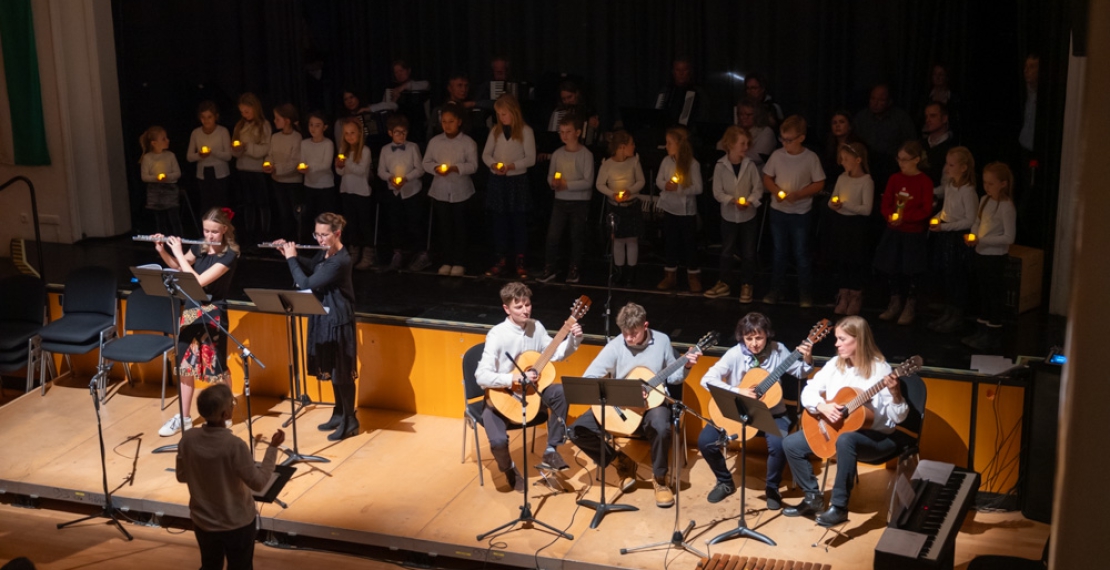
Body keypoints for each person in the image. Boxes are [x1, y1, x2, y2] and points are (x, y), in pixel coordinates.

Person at [568, 302, 699, 508]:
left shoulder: (662, 341)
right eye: (625, 333)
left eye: (634, 334)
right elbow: (590, 376)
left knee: (661, 427)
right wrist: (620, 391)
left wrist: (687, 365)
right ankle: (621, 461)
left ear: (645, 325)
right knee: (577, 430)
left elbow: (674, 378)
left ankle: (660, 480)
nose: (628, 338)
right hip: (621, 407)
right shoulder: (616, 345)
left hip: (652, 404)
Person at [782, 316, 905, 527]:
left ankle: (839, 508)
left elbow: (896, 419)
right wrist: (822, 406)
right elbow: (810, 389)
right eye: (836, 339)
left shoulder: (880, 371)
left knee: (846, 440)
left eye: (841, 339)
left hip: (874, 438)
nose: (836, 344)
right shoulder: (835, 364)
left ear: (859, 340)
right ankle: (813, 498)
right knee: (790, 444)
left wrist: (895, 395)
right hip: (838, 430)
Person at [697, 313, 812, 508]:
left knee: (779, 445)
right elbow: (706, 379)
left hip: (772, 412)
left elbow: (800, 371)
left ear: (768, 334)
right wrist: (738, 391)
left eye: (759, 338)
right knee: (705, 441)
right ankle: (725, 482)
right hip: (739, 409)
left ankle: (772, 488)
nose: (754, 344)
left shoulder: (779, 350)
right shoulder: (735, 354)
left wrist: (807, 356)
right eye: (749, 338)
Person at [474, 282, 581, 491]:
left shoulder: (536, 327)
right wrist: (514, 378)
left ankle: (551, 449)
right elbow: (481, 376)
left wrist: (574, 340)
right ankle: (509, 470)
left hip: (532, 396)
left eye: (528, 305)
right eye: (519, 307)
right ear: (506, 309)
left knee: (561, 392)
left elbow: (556, 353)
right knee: (497, 442)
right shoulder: (497, 334)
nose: (525, 310)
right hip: (500, 399)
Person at [176, 383, 284, 570]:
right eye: (232, 404)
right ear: (225, 414)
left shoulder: (188, 439)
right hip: (236, 524)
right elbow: (258, 483)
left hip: (203, 522)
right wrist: (272, 449)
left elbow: (181, 476)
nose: (234, 406)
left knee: (210, 566)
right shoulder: (234, 445)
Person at [155, 208, 240, 437]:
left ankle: (225, 412)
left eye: (213, 231)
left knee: (217, 366)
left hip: (214, 311)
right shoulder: (199, 248)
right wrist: (163, 251)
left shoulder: (229, 255)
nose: (209, 236)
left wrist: (180, 253)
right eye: (205, 230)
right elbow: (177, 266)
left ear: (224, 230)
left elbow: (199, 281)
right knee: (184, 363)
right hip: (192, 309)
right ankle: (183, 418)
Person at [275, 212, 359, 440]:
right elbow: (313, 267)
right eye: (317, 234)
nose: (319, 240)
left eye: (324, 235)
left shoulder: (340, 260)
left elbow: (306, 283)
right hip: (324, 315)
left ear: (337, 234)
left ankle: (350, 419)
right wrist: (289, 254)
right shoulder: (325, 253)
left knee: (341, 373)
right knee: (332, 369)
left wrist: (292, 259)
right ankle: (339, 412)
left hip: (338, 319)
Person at [762, 115, 826, 306]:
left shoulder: (810, 158)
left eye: (788, 140)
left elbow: (819, 183)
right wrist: (777, 192)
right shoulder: (777, 155)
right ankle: (776, 290)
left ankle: (805, 292)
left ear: (801, 138)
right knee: (779, 252)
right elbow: (767, 177)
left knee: (801, 253)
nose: (784, 143)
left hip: (801, 213)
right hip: (778, 211)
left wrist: (798, 195)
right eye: (782, 138)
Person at [873, 141, 932, 325]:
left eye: (905, 160)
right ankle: (895, 301)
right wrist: (891, 216)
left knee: (911, 270)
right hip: (894, 231)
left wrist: (905, 218)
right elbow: (886, 203)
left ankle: (910, 304)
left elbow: (925, 209)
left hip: (913, 233)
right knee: (892, 267)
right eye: (899, 159)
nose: (901, 163)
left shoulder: (924, 181)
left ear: (916, 159)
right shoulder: (895, 179)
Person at [961, 162, 1017, 351]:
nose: (987, 187)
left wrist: (982, 239)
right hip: (981, 255)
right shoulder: (985, 199)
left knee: (994, 295)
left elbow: (1009, 237)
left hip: (995, 257)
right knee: (983, 293)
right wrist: (974, 235)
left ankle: (993, 334)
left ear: (1003, 183)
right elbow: (977, 221)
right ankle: (981, 332)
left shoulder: (1006, 207)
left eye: (991, 183)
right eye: (985, 183)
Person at [705, 126, 762, 303]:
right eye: (741, 143)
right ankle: (724, 283)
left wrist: (750, 201)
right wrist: (732, 200)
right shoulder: (721, 166)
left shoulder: (750, 165)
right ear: (730, 144)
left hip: (748, 216)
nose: (745, 147)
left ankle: (747, 284)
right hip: (729, 215)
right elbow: (717, 192)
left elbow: (758, 188)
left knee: (748, 252)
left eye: (747, 143)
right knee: (727, 250)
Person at [482, 93, 536, 278]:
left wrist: (512, 166)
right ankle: (501, 259)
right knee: (499, 221)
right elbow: (486, 154)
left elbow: (530, 158)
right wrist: (494, 165)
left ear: (513, 112)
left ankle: (520, 260)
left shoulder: (525, 131)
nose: (501, 117)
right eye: (499, 114)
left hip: (516, 181)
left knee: (518, 221)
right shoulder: (495, 131)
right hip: (498, 180)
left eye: (504, 114)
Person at [927, 147, 979, 334]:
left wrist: (945, 226)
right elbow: (947, 209)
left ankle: (957, 315)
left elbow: (970, 220)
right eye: (946, 164)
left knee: (957, 276)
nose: (947, 168)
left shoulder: (968, 191)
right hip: (945, 236)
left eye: (951, 165)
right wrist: (937, 218)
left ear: (964, 168)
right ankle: (948, 311)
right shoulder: (950, 185)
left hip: (958, 239)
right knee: (947, 275)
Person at [423, 104, 478, 276]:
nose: (447, 125)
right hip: (440, 190)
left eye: (451, 121)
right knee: (444, 228)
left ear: (459, 122)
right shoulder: (435, 141)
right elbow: (426, 162)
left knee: (460, 227)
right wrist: (436, 168)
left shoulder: (468, 142)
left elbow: (473, 166)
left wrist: (455, 168)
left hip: (461, 191)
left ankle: (460, 262)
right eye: (444, 121)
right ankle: (446, 260)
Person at [537, 116, 594, 284]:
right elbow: (550, 175)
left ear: (578, 132)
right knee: (553, 235)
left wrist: (566, 184)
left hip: (580, 202)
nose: (565, 135)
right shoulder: (557, 154)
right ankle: (550, 267)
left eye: (568, 132)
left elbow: (588, 181)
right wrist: (553, 183)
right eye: (561, 132)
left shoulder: (586, 155)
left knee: (576, 236)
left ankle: (574, 269)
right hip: (560, 201)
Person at [827, 142, 874, 316]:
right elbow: (831, 201)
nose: (843, 162)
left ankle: (855, 295)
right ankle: (843, 294)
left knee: (855, 261)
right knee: (842, 260)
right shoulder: (842, 178)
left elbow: (867, 209)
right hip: (841, 224)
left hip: (856, 227)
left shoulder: (866, 181)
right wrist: (835, 204)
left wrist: (846, 204)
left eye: (846, 159)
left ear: (858, 160)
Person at [655, 126, 704, 292]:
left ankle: (693, 276)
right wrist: (666, 185)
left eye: (669, 143)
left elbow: (698, 188)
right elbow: (659, 180)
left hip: (686, 211)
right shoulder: (666, 161)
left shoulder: (693, 164)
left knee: (689, 244)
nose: (666, 146)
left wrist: (680, 189)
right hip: (670, 208)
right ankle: (670, 275)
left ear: (680, 145)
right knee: (670, 242)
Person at [376, 114, 427, 272]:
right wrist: (390, 178)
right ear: (390, 133)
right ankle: (398, 254)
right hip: (394, 192)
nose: (402, 135)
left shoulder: (412, 147)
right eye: (398, 132)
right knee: (396, 224)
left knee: (414, 223)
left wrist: (406, 178)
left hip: (411, 191)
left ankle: (420, 254)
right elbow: (380, 171)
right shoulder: (385, 150)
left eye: (404, 132)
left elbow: (420, 169)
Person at [595, 129, 645, 287]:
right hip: (615, 207)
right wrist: (612, 193)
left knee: (631, 240)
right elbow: (599, 184)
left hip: (631, 206)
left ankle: (631, 273)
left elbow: (641, 181)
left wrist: (630, 190)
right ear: (622, 147)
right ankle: (619, 272)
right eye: (631, 144)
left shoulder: (634, 161)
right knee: (617, 240)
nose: (634, 146)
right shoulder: (607, 164)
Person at [853, 84, 917, 189]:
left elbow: (911, 144)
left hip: (893, 168)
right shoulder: (861, 118)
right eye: (873, 99)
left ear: (889, 101)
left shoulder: (901, 118)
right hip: (866, 167)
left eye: (881, 100)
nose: (875, 103)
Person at [231, 93, 272, 243]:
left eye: (247, 111)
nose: (244, 114)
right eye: (242, 112)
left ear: (255, 109)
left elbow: (265, 149)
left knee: (262, 203)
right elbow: (234, 149)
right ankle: (249, 234)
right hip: (242, 169)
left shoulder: (264, 125)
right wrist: (236, 150)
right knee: (247, 204)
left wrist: (247, 146)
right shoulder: (239, 125)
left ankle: (264, 234)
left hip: (257, 171)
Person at [336, 118, 375, 271]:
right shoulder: (343, 150)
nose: (350, 136)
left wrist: (347, 163)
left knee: (364, 224)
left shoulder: (365, 151)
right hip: (347, 190)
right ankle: (353, 251)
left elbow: (361, 171)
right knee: (351, 223)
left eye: (352, 133)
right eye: (346, 133)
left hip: (362, 192)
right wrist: (339, 166)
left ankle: (368, 253)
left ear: (359, 133)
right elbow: (340, 172)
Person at [264, 104, 304, 240]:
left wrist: (276, 168)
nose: (274, 121)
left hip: (293, 183)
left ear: (287, 120)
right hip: (277, 182)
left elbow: (295, 162)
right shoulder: (275, 137)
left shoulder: (296, 137)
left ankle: (297, 241)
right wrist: (267, 164)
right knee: (283, 213)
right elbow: (270, 154)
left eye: (277, 118)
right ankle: (285, 241)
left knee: (294, 214)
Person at [187, 101, 233, 214]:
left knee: (221, 204)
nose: (206, 120)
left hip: (220, 173)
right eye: (203, 117)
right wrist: (199, 155)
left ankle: (223, 229)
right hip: (203, 174)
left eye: (209, 117)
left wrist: (213, 152)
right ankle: (207, 230)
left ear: (216, 117)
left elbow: (228, 156)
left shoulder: (222, 131)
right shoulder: (196, 133)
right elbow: (189, 157)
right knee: (206, 204)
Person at [139, 125, 183, 236]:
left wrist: (166, 177)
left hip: (170, 189)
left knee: (174, 219)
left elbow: (177, 173)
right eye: (163, 139)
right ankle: (163, 246)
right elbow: (144, 177)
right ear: (154, 143)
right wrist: (156, 178)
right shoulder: (148, 158)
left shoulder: (170, 156)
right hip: (155, 191)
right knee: (160, 221)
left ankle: (179, 244)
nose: (167, 140)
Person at [300, 111, 337, 241]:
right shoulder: (304, 143)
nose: (313, 128)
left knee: (325, 220)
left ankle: (327, 246)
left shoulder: (328, 143)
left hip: (325, 186)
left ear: (324, 127)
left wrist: (309, 167)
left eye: (317, 125)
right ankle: (312, 246)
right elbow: (302, 161)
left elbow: (326, 165)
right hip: (309, 185)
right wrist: (302, 168)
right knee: (310, 217)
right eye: (311, 125)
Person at [428, 72, 483, 141]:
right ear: (450, 88)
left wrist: (472, 104)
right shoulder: (439, 110)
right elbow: (430, 135)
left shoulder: (472, 110)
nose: (464, 90)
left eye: (466, 86)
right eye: (459, 85)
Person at [655, 57, 707, 126]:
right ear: (673, 72)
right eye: (677, 70)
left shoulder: (698, 92)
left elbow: (703, 116)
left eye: (684, 70)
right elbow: (656, 113)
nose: (681, 73)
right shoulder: (665, 90)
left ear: (690, 72)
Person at [921, 102, 957, 189]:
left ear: (944, 118)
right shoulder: (920, 144)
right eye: (926, 116)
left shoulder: (952, 149)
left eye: (933, 116)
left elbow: (948, 185)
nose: (928, 120)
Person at [735, 98, 776, 171]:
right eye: (741, 114)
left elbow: (757, 157)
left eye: (748, 114)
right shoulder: (735, 131)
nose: (744, 117)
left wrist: (733, 155)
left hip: (757, 175)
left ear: (757, 115)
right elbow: (721, 147)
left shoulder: (766, 132)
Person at [823, 110, 864, 180]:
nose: (837, 125)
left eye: (841, 122)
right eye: (834, 123)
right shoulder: (828, 145)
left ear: (850, 126)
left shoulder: (856, 147)